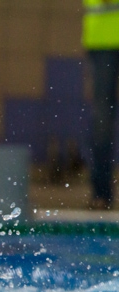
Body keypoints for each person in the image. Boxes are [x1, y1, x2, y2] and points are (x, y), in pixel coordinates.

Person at [83, 0, 119, 210]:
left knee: (102, 118)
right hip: (103, 38)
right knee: (102, 120)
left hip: (103, 36)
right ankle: (101, 193)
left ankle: (101, 194)